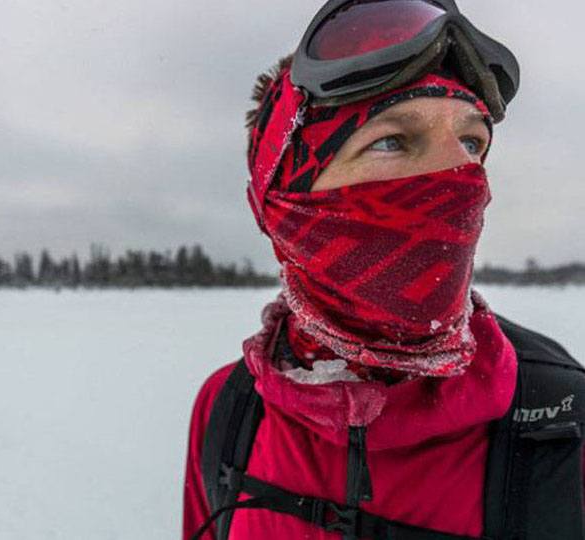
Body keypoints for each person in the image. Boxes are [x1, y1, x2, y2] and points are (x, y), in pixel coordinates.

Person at [183, 1, 585, 539]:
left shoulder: (563, 425)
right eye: (392, 141)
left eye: (471, 142)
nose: (459, 176)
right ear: (280, 202)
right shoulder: (227, 413)